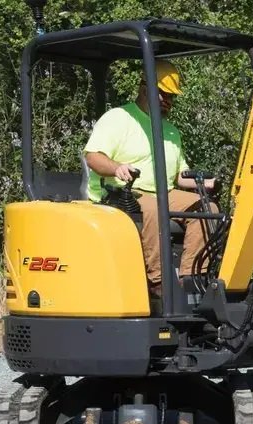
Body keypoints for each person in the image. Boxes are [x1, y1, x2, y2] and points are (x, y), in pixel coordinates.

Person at [83, 60, 217, 297]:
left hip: (162, 192)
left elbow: (178, 176)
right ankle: (159, 283)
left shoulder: (171, 131)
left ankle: (191, 279)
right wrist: (116, 168)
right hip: (118, 193)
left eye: (172, 96)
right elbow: (93, 157)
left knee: (208, 208)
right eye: (163, 94)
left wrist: (204, 184)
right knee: (153, 210)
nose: (168, 101)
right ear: (144, 88)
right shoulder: (119, 118)